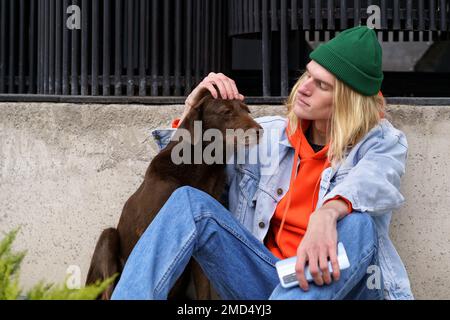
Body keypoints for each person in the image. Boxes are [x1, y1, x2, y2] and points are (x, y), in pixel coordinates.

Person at [111, 26, 414, 300]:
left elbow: (376, 180)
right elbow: (186, 163)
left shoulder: (381, 143)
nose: (305, 87)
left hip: (331, 285)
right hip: (264, 280)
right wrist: (195, 111)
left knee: (359, 224)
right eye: (308, 74)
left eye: (322, 85)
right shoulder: (265, 136)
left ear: (349, 101)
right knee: (189, 203)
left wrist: (328, 212)